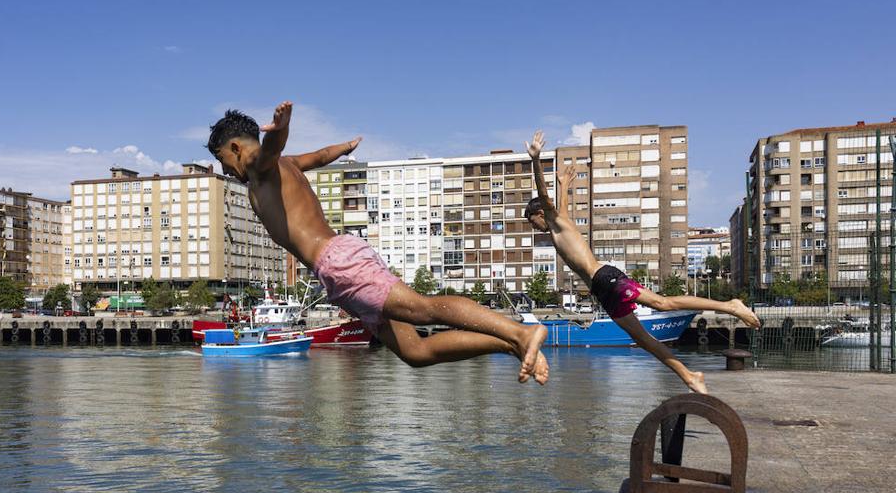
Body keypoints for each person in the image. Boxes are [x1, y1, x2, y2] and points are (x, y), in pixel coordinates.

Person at [205, 102, 548, 383]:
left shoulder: (260, 166)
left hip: (339, 263)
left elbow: (270, 149)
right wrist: (344, 148)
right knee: (415, 352)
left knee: (422, 308)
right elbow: (321, 156)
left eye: (223, 160)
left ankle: (521, 333)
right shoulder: (285, 165)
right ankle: (511, 345)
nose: (227, 169)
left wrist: (281, 128)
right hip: (336, 272)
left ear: (236, 148)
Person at [524, 130, 760, 393]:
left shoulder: (555, 222)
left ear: (539, 214)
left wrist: (535, 160)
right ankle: (689, 376)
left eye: (531, 221)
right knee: (643, 339)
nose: (533, 227)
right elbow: (561, 202)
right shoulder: (560, 223)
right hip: (602, 289)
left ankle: (730, 306)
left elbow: (545, 198)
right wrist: (564, 183)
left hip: (606, 278)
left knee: (662, 303)